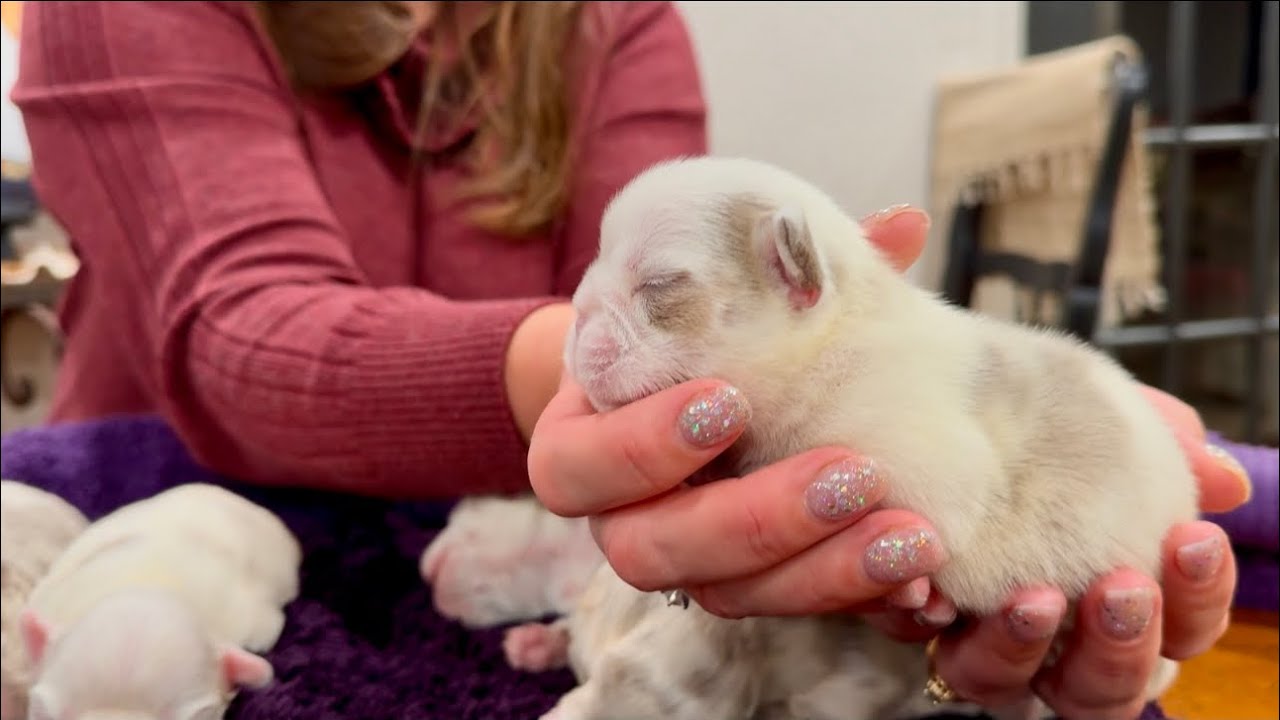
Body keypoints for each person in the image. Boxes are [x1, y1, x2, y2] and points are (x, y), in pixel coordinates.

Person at [11, 2, 1247, 719]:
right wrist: (597, 384)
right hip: (171, 500)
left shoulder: (613, 20)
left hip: (561, 536)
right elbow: (249, 335)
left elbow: (712, 314)